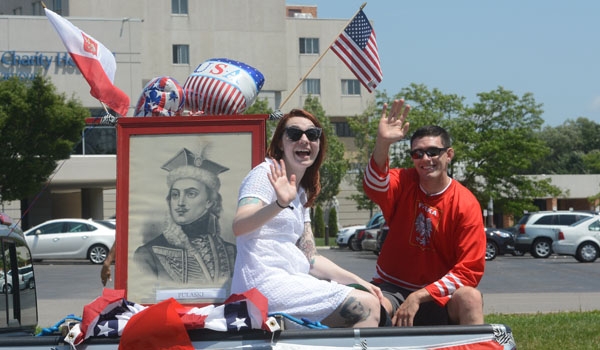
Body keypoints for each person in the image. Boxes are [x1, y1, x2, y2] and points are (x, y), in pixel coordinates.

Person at [231, 108, 386, 328]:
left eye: (312, 134)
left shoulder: (300, 192)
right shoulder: (265, 174)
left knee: (378, 301)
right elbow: (239, 226)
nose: (304, 139)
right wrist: (279, 204)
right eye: (294, 134)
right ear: (280, 144)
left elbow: (311, 258)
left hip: (292, 278)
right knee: (365, 307)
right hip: (262, 283)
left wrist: (359, 281)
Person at [363, 99, 486, 327]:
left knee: (470, 297)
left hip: (439, 296)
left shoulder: (466, 203)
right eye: (417, 153)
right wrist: (383, 142)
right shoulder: (404, 182)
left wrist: (419, 296)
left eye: (433, 152)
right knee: (364, 305)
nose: (425, 159)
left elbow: (469, 270)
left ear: (449, 154)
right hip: (393, 287)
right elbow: (373, 184)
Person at [134, 147, 236, 284]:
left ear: (209, 201)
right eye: (175, 195)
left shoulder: (230, 252)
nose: (180, 203)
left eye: (191, 194)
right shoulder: (147, 254)